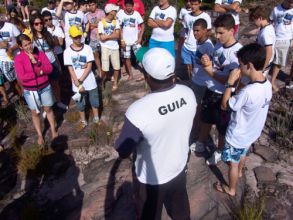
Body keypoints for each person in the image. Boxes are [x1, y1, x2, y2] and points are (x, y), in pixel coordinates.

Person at [115, 48, 196, 220]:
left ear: (147, 76)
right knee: (181, 212)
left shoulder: (138, 111)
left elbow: (123, 151)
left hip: (151, 178)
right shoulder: (188, 94)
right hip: (179, 167)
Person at [214, 43, 272, 196]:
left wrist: (230, 83)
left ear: (249, 65)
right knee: (243, 153)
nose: (239, 68)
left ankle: (231, 188)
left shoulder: (248, 92)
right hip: (252, 132)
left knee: (231, 164)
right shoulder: (267, 84)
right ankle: (240, 172)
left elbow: (225, 105)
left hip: (238, 135)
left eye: (240, 65)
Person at [195, 14, 242, 166]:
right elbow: (214, 62)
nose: (217, 36)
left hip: (224, 95)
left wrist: (209, 71)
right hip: (211, 88)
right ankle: (201, 142)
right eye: (216, 32)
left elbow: (231, 80)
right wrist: (206, 60)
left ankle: (220, 150)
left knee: (222, 126)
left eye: (221, 33)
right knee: (205, 119)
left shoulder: (237, 53)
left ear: (231, 31)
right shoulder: (218, 44)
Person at [14, 34, 58, 146]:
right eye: (25, 45)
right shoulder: (19, 59)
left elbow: (49, 68)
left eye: (30, 43)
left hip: (44, 86)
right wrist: (39, 72)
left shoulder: (40, 54)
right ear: (20, 47)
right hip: (30, 91)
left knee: (48, 109)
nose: (29, 46)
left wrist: (37, 63)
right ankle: (39, 135)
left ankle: (53, 130)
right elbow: (22, 77)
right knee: (35, 113)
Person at [63, 26, 100, 129]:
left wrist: (80, 80)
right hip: (77, 82)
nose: (78, 39)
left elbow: (89, 66)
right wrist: (78, 83)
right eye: (75, 37)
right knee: (80, 104)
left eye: (79, 36)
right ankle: (83, 121)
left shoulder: (87, 48)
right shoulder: (67, 52)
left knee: (94, 101)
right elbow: (70, 69)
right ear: (71, 37)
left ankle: (96, 118)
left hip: (89, 81)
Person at [30, 15, 67, 110]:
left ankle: (58, 101)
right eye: (36, 24)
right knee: (45, 86)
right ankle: (48, 106)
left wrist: (58, 64)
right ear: (33, 25)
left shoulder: (47, 34)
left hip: (52, 61)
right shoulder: (32, 38)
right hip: (41, 65)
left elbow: (53, 50)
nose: (39, 26)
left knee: (55, 84)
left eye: (41, 23)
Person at [189, 19, 214, 143]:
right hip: (196, 80)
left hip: (203, 83)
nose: (195, 33)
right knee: (195, 107)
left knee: (198, 108)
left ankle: (196, 132)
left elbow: (211, 66)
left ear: (205, 30)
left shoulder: (208, 46)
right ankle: (195, 130)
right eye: (194, 30)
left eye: (198, 30)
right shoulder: (199, 43)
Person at [181, 0, 211, 78]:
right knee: (188, 67)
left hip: (197, 47)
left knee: (198, 68)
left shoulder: (205, 16)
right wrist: (182, 44)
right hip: (187, 46)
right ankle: (191, 82)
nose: (193, 6)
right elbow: (185, 31)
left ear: (200, 4)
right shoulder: (186, 16)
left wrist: (202, 44)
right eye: (192, 4)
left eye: (195, 4)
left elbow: (208, 32)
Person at [269, 0, 293, 92]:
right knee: (268, 59)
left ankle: (272, 81)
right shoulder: (276, 9)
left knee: (278, 63)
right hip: (274, 38)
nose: (292, 4)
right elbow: (270, 22)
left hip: (285, 40)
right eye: (290, 2)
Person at [117, 0, 145, 80]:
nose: (128, 7)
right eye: (127, 6)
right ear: (125, 6)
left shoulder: (136, 14)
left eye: (130, 6)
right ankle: (131, 74)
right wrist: (122, 40)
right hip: (126, 42)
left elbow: (142, 25)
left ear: (133, 6)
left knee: (141, 56)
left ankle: (145, 73)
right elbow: (119, 28)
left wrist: (140, 38)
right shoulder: (121, 14)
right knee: (127, 58)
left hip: (135, 41)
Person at [98, 4, 121, 91]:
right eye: (115, 11)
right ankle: (101, 81)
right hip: (105, 47)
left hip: (115, 47)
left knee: (116, 67)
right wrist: (113, 35)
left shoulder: (116, 21)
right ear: (111, 12)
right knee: (105, 68)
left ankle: (115, 82)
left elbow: (117, 35)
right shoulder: (101, 23)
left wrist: (107, 36)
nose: (116, 12)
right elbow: (101, 37)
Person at [0, 20, 23, 107]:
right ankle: (22, 98)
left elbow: (21, 40)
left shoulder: (10, 26)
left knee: (21, 79)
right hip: (3, 60)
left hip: (16, 57)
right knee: (12, 82)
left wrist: (12, 49)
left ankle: (28, 97)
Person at [249, 6, 276, 77]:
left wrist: (263, 68)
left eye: (254, 20)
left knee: (258, 81)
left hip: (263, 63)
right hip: (261, 59)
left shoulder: (266, 33)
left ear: (260, 18)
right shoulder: (266, 27)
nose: (253, 22)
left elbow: (269, 53)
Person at [86, 0, 105, 77]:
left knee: (104, 55)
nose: (91, 7)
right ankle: (100, 71)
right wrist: (97, 24)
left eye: (93, 4)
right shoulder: (86, 15)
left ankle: (106, 72)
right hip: (92, 38)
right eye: (90, 5)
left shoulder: (101, 12)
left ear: (96, 4)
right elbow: (88, 26)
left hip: (102, 37)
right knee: (96, 56)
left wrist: (93, 25)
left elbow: (103, 23)